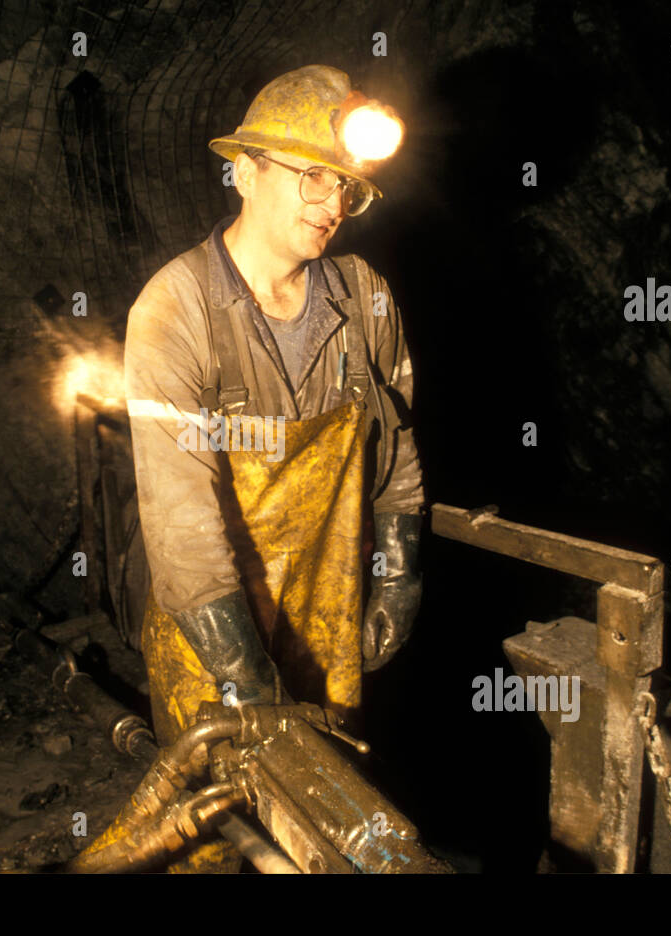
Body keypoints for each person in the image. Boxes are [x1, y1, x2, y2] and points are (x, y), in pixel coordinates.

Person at [85, 64, 425, 873]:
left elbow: (397, 448)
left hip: (328, 602)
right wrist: (246, 673)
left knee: (330, 817)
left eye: (347, 185)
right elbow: (180, 523)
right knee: (213, 823)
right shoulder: (177, 308)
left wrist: (401, 574)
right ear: (244, 170)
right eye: (312, 175)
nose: (333, 203)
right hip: (212, 622)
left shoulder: (364, 298)